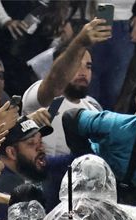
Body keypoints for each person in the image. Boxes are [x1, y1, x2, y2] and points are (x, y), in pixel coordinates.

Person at [21, 18, 111, 157]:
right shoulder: (39, 95)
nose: (83, 72)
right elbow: (55, 82)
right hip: (42, 176)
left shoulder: (93, 107)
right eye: (76, 65)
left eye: (88, 66)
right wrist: (80, 43)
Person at [87, 0, 136, 110]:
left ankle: (104, 126)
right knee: (83, 87)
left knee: (114, 92)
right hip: (85, 17)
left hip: (122, 22)